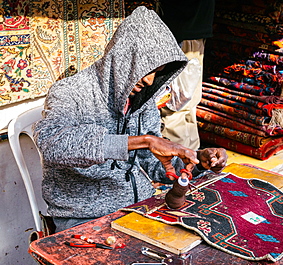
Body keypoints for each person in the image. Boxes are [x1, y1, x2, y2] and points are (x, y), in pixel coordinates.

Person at [32, 6, 227, 233]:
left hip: (137, 207)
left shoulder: (141, 101)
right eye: (147, 69)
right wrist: (142, 141)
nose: (150, 79)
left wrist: (195, 161)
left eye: (159, 71)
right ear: (123, 57)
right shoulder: (71, 91)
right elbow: (52, 144)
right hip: (84, 216)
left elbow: (151, 161)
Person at [158, 0, 215, 150]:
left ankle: (188, 159)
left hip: (186, 30)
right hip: (182, 31)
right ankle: (181, 160)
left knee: (185, 103)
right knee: (178, 105)